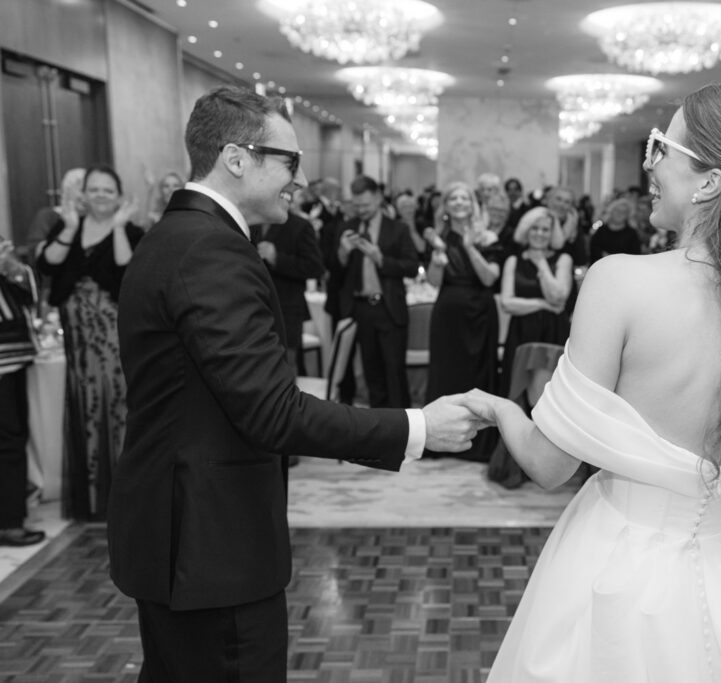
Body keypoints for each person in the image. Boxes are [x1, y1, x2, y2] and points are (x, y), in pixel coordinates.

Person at [463, 81, 721, 681]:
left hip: (619, 573)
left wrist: (500, 408)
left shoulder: (618, 281)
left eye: (662, 146)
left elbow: (551, 466)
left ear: (709, 182)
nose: (649, 162)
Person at [106, 85, 480, 683]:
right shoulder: (212, 252)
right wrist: (419, 426)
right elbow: (273, 413)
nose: (299, 180)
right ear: (236, 158)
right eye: (288, 162)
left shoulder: (177, 237)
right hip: (210, 546)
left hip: (182, 536)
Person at [36, 164, 144, 521]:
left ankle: (124, 495)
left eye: (107, 190)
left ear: (118, 196)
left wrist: (116, 228)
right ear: (84, 194)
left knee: (118, 406)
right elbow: (47, 264)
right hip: (78, 340)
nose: (100, 196)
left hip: (113, 339)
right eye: (93, 189)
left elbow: (127, 272)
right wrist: (67, 228)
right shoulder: (68, 226)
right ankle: (92, 498)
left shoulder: (130, 230)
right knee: (85, 405)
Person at [488, 207, 572, 488]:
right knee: (518, 396)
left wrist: (541, 266)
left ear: (553, 233)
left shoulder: (563, 259)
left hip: (551, 335)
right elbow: (508, 302)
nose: (539, 234)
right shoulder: (513, 259)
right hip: (521, 334)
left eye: (545, 229)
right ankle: (514, 463)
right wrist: (540, 304)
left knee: (547, 399)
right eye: (535, 228)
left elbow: (559, 296)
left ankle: (546, 464)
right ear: (526, 230)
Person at [423, 181, 502, 461]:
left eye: (464, 198)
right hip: (447, 312)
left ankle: (479, 444)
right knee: (447, 371)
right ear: (445, 206)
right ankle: (441, 440)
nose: (458, 202)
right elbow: (434, 282)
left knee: (479, 374)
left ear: (473, 204)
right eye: (452, 198)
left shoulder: (487, 237)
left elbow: (490, 278)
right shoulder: (438, 237)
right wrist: (436, 258)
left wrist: (470, 248)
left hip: (480, 311)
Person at [327, 175, 419, 408]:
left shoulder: (397, 229)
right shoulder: (347, 227)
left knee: (394, 373)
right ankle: (380, 428)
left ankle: (406, 429)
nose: (362, 210)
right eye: (357, 206)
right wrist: (343, 254)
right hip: (360, 308)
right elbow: (333, 273)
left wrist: (381, 260)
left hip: (389, 308)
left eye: (366, 205)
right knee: (371, 373)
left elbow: (410, 267)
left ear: (378, 198)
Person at [0, 238, 45, 547]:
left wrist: (11, 270)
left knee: (14, 439)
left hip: (14, 360)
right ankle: (10, 523)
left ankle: (11, 516)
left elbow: (28, 299)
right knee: (9, 441)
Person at [252, 193, 324, 372]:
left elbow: (315, 268)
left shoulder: (299, 226)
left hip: (287, 313)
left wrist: (277, 258)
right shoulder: (251, 224)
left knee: (286, 370)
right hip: (255, 311)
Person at [589, 197, 642, 263]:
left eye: (623, 212)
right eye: (617, 210)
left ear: (627, 215)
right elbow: (594, 249)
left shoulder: (632, 233)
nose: (619, 214)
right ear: (611, 211)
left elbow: (635, 255)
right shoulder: (601, 230)